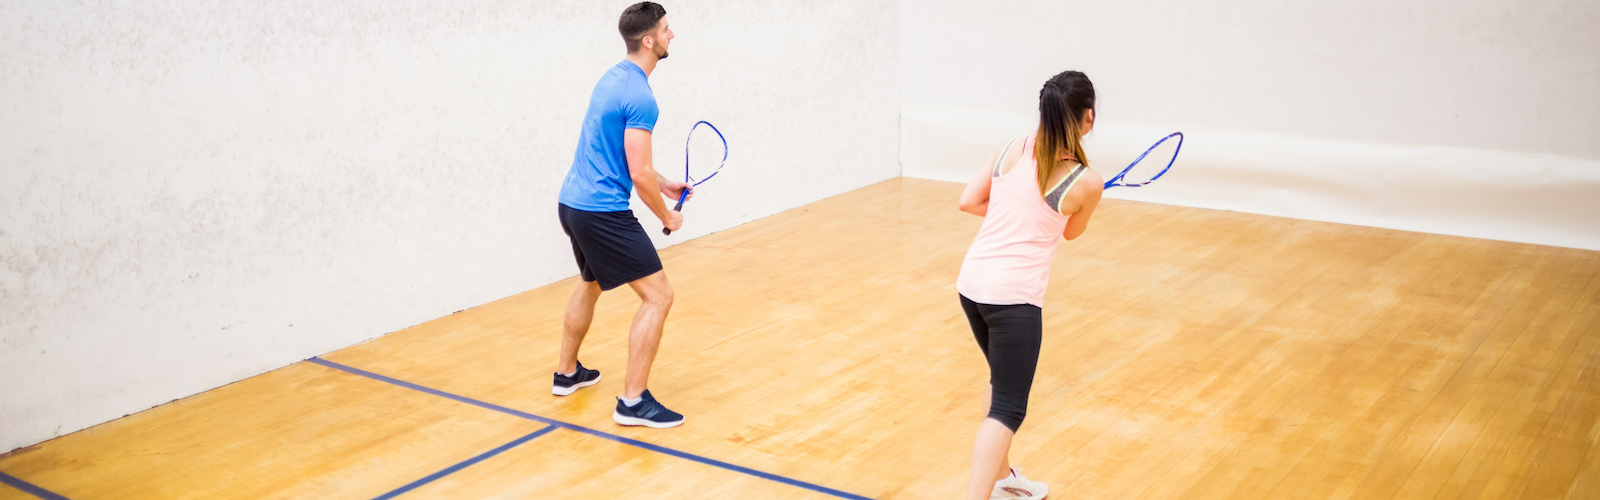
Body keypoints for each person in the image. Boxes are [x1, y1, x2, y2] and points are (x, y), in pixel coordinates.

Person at [954, 70, 1104, 499]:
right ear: (1088, 117)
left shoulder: (1010, 148)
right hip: (1013, 302)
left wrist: (1014, 217)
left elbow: (969, 201)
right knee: (1007, 409)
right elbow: (1071, 232)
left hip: (972, 287)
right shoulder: (1086, 182)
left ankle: (1004, 481)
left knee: (1000, 381)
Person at [552, 1, 688, 429]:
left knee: (591, 283)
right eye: (666, 30)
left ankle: (567, 373)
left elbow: (623, 156)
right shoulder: (642, 97)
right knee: (659, 296)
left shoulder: (612, 79)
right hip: (601, 214)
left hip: (572, 204)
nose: (672, 35)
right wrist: (667, 214)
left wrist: (663, 183)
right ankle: (632, 402)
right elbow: (638, 172)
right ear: (648, 40)